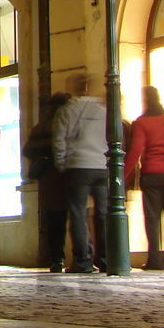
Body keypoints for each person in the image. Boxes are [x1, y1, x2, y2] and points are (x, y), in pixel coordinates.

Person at [123, 85, 164, 271]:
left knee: (152, 219)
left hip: (152, 175)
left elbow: (135, 151)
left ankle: (155, 260)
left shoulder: (141, 123)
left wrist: (123, 175)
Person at [53, 78, 107, 273]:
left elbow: (59, 141)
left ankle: (83, 261)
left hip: (77, 167)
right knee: (103, 214)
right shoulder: (104, 110)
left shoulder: (66, 110)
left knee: (78, 214)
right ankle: (106, 259)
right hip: (102, 166)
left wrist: (62, 164)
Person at [24, 93, 70, 271]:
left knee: (54, 221)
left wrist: (43, 158)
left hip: (49, 180)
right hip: (67, 177)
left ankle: (57, 258)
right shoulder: (66, 126)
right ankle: (84, 256)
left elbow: (27, 151)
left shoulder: (40, 128)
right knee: (77, 218)